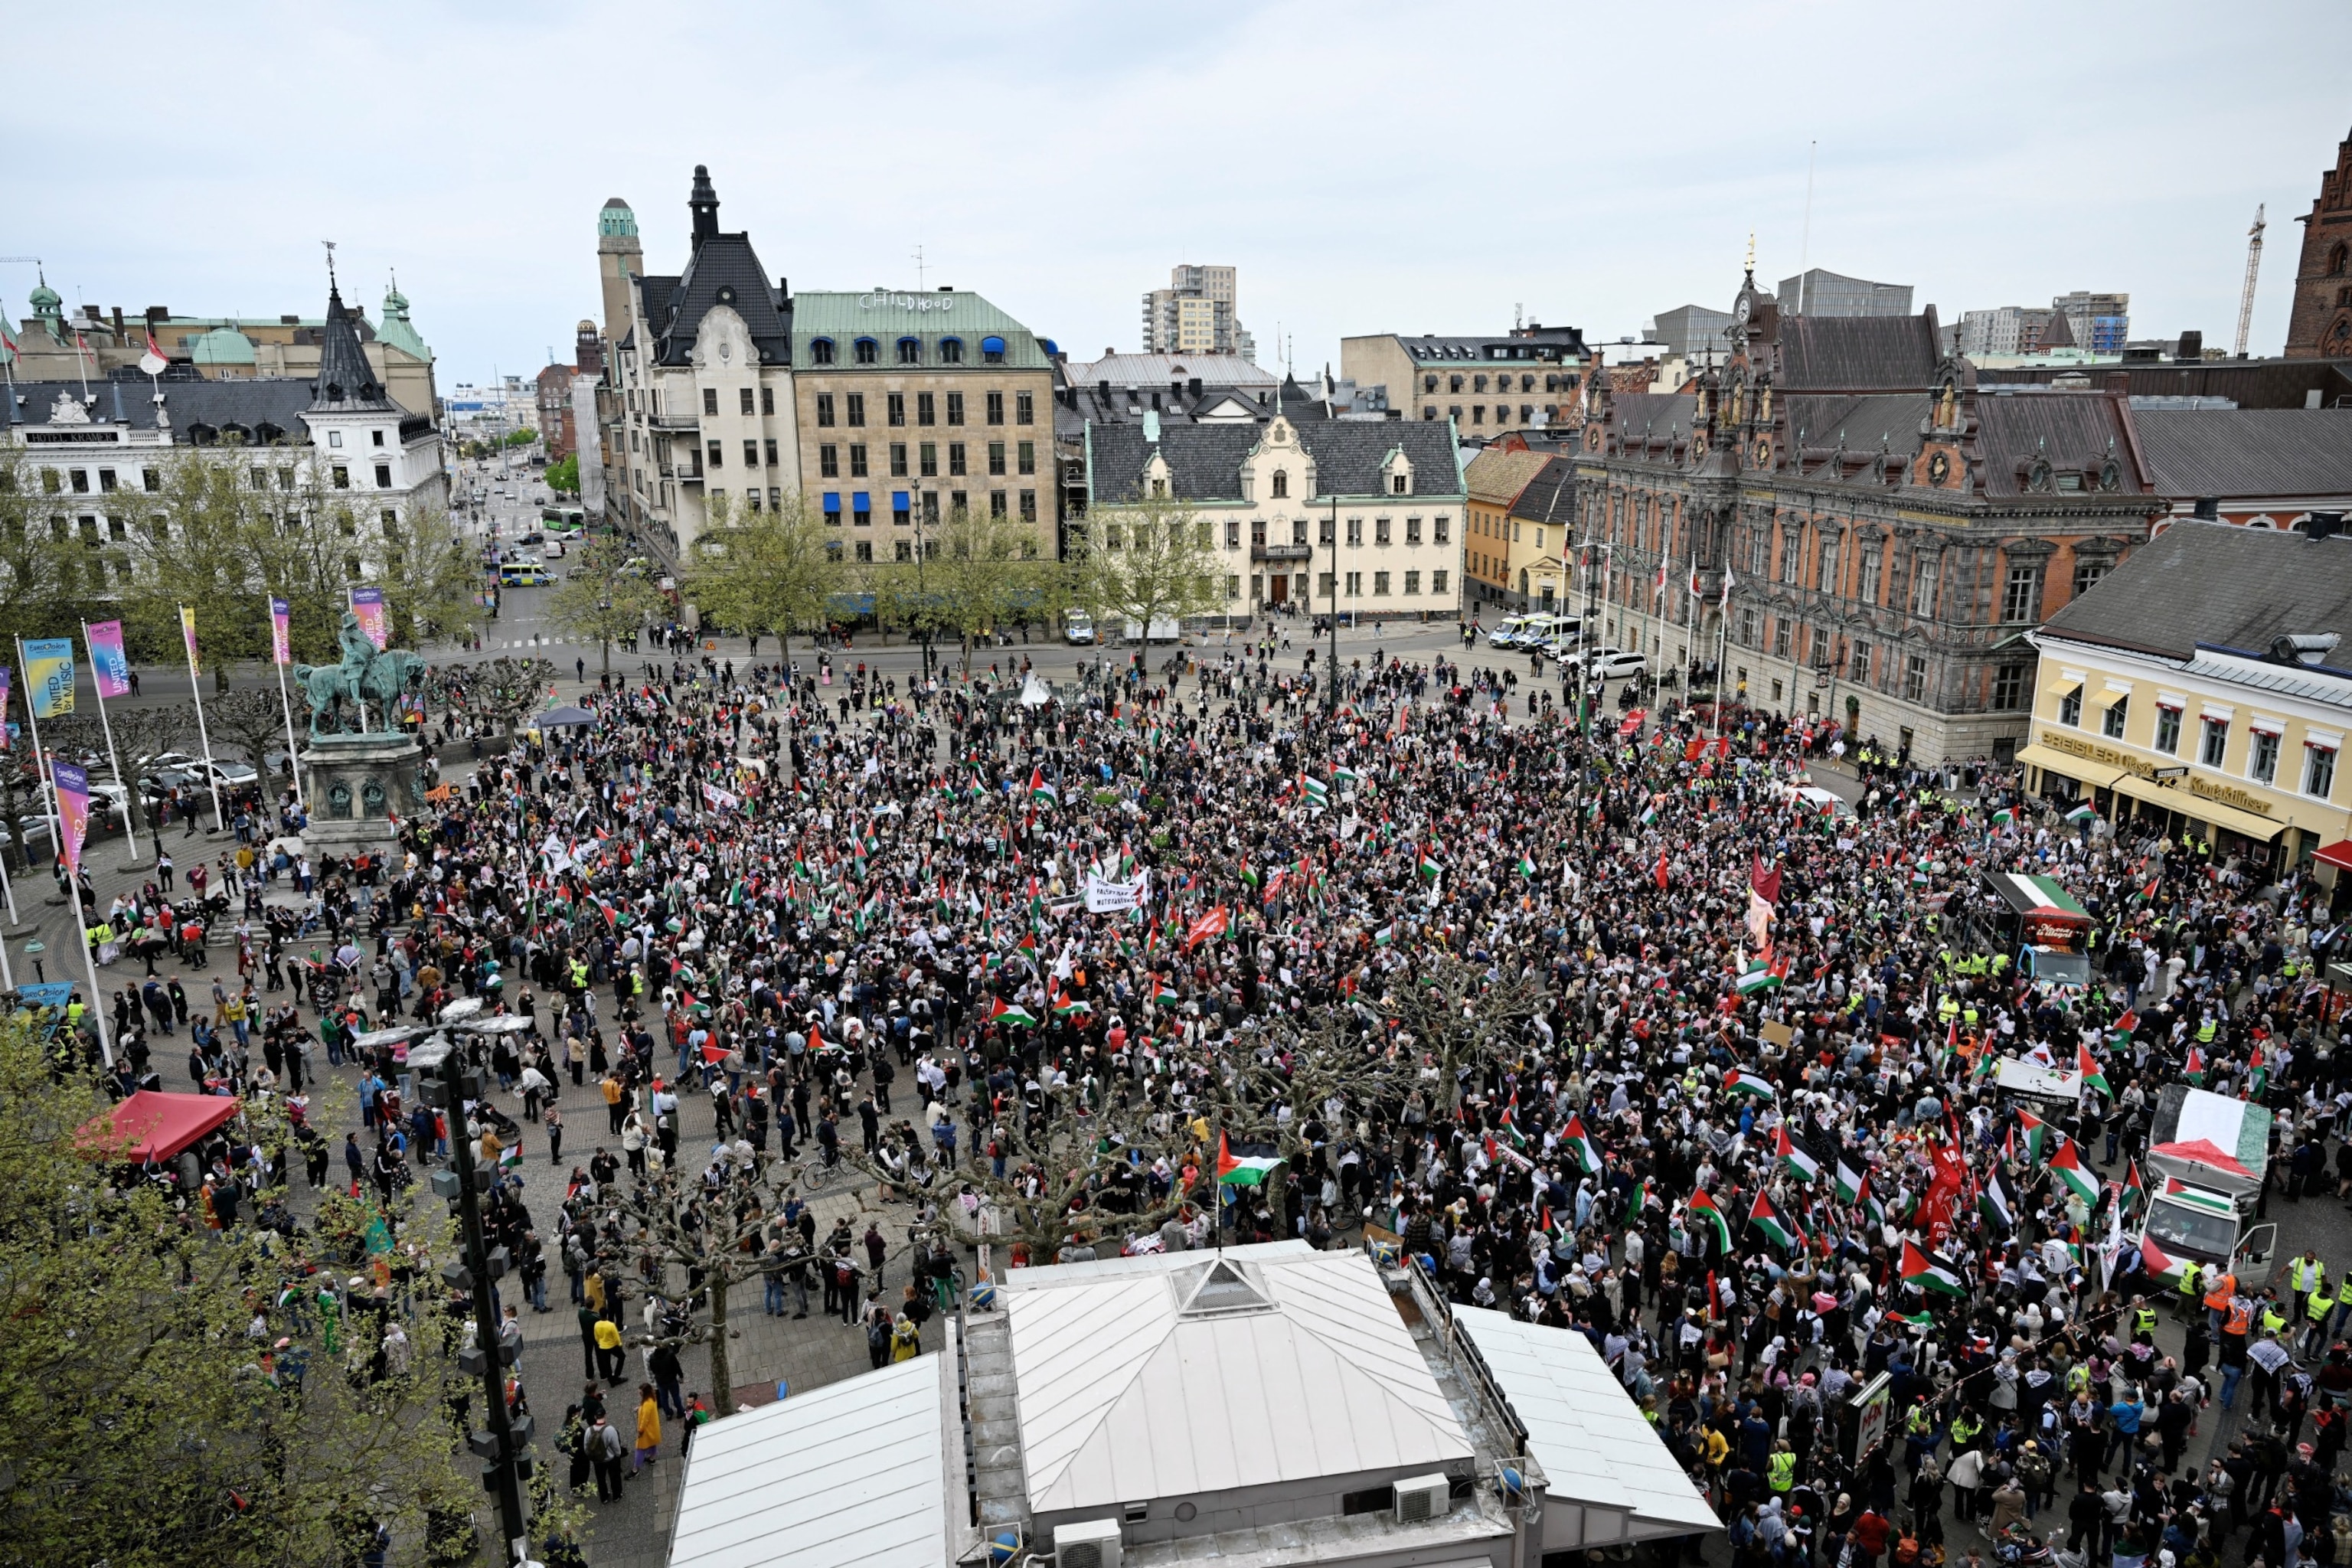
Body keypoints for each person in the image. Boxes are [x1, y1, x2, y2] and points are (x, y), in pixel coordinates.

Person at [632, 1381, 662, 1473]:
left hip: (646, 1431)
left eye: (641, 1393)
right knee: (653, 1443)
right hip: (653, 1429)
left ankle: (635, 1469)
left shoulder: (646, 1405)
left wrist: (640, 1431)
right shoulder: (652, 1398)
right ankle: (652, 1458)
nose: (639, 1394)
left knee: (640, 1449)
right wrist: (639, 1408)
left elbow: (644, 1420)